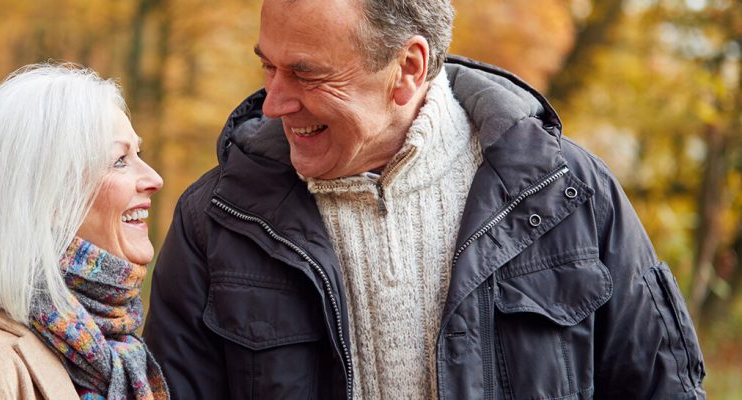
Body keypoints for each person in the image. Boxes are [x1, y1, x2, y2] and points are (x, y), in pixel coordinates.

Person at [142, 0, 706, 399]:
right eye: (268, 66)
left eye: (305, 74)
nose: (273, 103)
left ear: (407, 68)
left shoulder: (570, 196)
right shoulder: (215, 222)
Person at [0, 64, 168, 400]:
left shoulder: (119, 355)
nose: (154, 179)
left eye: (138, 154)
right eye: (119, 160)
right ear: (50, 197)